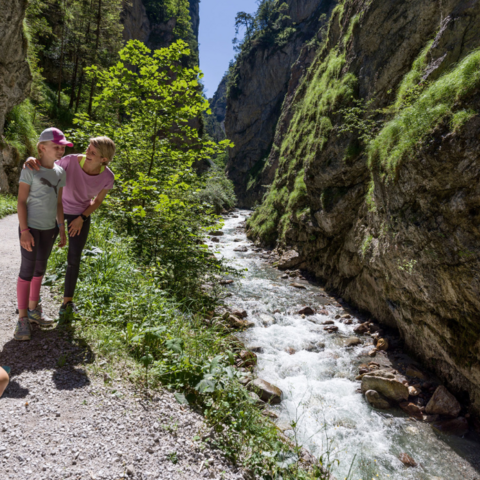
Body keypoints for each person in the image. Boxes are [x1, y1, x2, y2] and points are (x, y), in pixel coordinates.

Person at [24, 135, 115, 323]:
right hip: (54, 209)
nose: (87, 153)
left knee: (74, 258)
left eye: (93, 152)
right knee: (42, 254)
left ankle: (67, 303)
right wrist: (30, 160)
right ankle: (33, 299)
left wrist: (82, 218)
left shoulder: (107, 177)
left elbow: (98, 201)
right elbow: (46, 165)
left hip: (80, 215)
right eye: (89, 148)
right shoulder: (70, 161)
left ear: (104, 159)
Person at [15, 128, 68, 341]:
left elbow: (58, 202)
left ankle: (34, 310)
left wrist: (61, 228)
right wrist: (25, 231)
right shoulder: (30, 169)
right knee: (27, 270)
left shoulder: (60, 172)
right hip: (31, 228)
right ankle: (21, 319)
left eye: (63, 147)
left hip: (50, 230)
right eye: (56, 146)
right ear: (42, 148)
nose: (61, 150)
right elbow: (20, 201)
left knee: (40, 269)